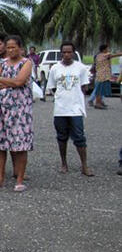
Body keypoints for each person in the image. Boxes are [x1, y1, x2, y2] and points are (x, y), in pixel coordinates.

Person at [0, 35, 34, 192]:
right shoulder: (2, 63)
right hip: (0, 108)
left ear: (21, 48)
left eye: (14, 47)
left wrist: (3, 79)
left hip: (19, 110)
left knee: (19, 144)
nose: (11, 50)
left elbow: (20, 81)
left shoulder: (26, 63)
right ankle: (0, 179)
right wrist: (11, 81)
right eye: (8, 47)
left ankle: (19, 179)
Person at [46, 41, 93, 176]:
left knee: (79, 137)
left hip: (76, 109)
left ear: (73, 53)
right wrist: (62, 97)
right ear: (61, 53)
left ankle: (84, 165)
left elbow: (85, 87)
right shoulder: (55, 68)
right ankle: (64, 163)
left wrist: (76, 98)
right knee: (61, 137)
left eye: (69, 52)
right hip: (60, 109)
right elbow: (53, 87)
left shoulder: (81, 68)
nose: (67, 54)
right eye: (64, 52)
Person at [88, 44, 122, 109]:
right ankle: (98, 103)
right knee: (100, 90)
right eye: (107, 49)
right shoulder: (105, 55)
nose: (108, 50)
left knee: (100, 90)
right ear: (103, 50)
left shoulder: (98, 55)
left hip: (100, 75)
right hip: (103, 76)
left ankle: (99, 102)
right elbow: (117, 55)